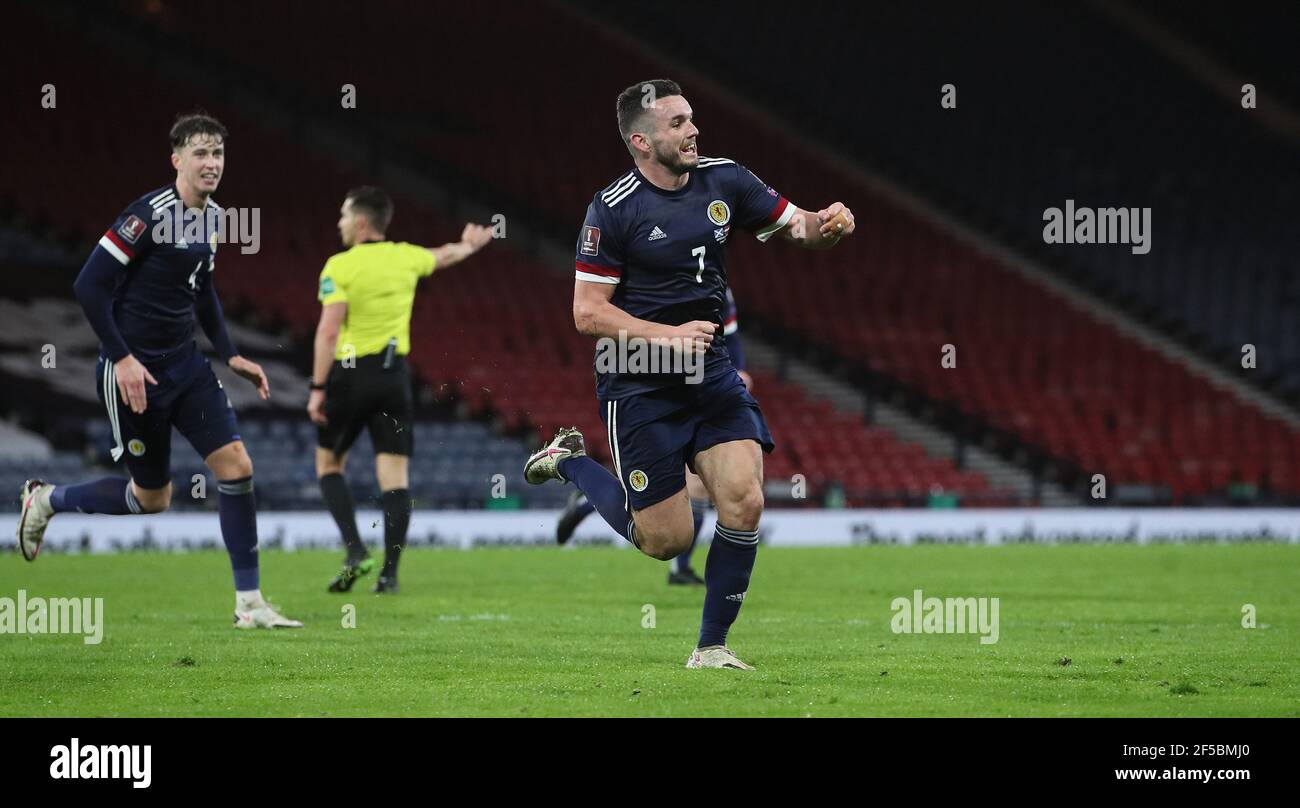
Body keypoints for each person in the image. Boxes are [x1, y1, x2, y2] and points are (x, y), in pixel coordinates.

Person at [524, 80, 854, 669]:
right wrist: (667, 336)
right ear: (641, 141)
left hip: (709, 372)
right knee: (666, 541)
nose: (693, 130)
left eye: (691, 118)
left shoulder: (726, 179)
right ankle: (572, 462)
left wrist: (826, 225)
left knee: (744, 501)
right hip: (638, 378)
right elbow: (586, 312)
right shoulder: (613, 208)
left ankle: (712, 648)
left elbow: (795, 227)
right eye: (676, 123)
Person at [16, 112, 301, 629]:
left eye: (217, 153)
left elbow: (204, 290)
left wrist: (231, 352)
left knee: (237, 467)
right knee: (152, 500)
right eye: (200, 153)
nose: (211, 162)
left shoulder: (213, 218)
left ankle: (250, 604)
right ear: (177, 160)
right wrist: (122, 357)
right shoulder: (148, 214)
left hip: (186, 366)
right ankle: (47, 499)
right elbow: (89, 286)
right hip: (134, 373)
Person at [309, 186, 493, 594]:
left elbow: (328, 331)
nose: (339, 223)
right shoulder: (405, 256)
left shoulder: (339, 266)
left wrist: (318, 387)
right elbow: (444, 254)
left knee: (328, 465)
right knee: (395, 478)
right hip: (394, 379)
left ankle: (356, 551)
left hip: (350, 374)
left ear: (360, 223)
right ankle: (389, 575)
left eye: (343, 216)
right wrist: (469, 245)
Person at [555, 288, 755, 589]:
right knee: (661, 513)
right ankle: (583, 489)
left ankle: (681, 569)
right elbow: (595, 317)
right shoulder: (648, 277)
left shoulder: (713, 282)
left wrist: (738, 370)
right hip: (647, 384)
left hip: (698, 384)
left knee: (697, 489)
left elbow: (729, 332)